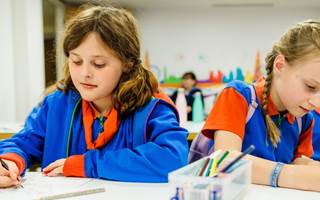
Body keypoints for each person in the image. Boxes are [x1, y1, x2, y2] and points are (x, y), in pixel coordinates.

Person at [0, 5, 188, 188]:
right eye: (76, 61)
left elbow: (173, 159)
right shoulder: (56, 105)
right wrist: (11, 162)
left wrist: (87, 164)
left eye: (98, 64)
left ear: (127, 64)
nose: (84, 73)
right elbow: (21, 143)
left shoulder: (152, 108)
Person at [201, 20, 320, 191]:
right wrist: (291, 175)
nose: (317, 102)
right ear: (280, 66)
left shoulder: (305, 120)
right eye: (310, 86)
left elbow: (300, 162)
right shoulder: (238, 96)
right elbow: (223, 161)